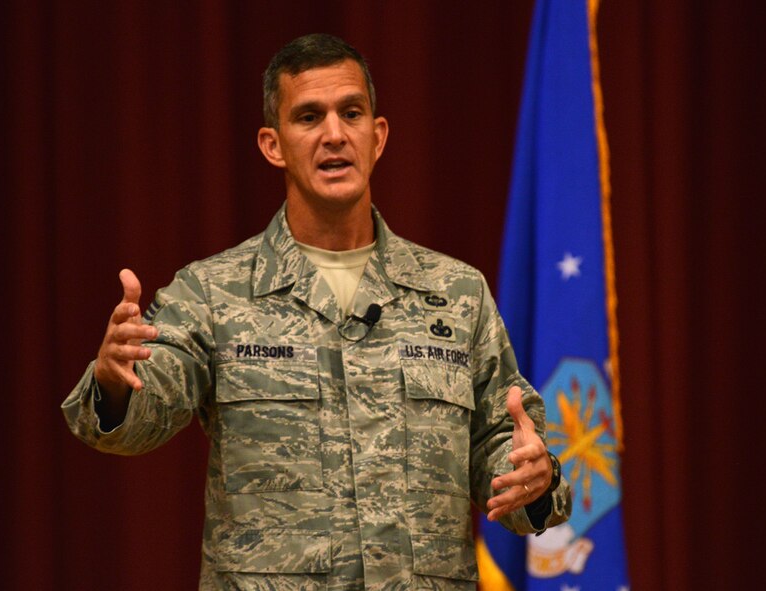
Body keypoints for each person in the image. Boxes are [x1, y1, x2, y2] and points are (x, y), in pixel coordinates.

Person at [62, 33, 571, 590]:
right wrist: (115, 382)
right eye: (308, 117)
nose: (334, 134)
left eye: (351, 113)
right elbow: (137, 419)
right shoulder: (213, 292)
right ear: (272, 144)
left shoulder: (455, 292)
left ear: (377, 137)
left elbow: (505, 452)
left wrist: (533, 477)